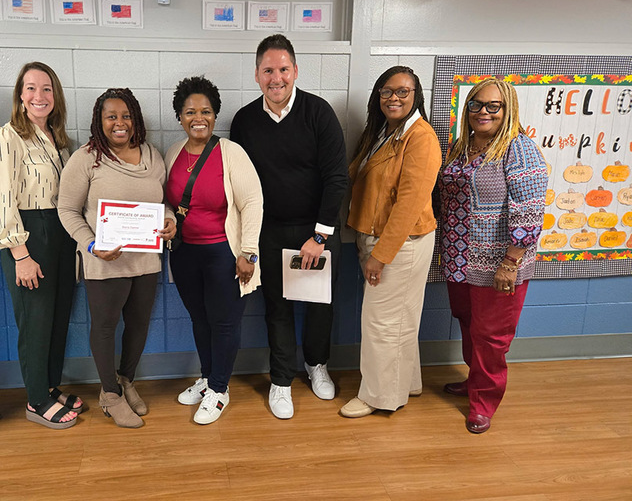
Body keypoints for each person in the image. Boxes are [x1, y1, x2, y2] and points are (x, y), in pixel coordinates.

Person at [230, 35, 348, 419]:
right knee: (276, 309)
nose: (276, 78)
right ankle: (281, 380)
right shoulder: (245, 120)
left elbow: (337, 179)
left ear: (295, 71)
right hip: (269, 232)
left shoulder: (319, 112)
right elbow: (239, 185)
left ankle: (317, 365)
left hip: (316, 233)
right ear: (257, 75)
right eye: (268, 70)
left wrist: (319, 236)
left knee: (319, 308)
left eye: (283, 69)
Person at [58, 88, 175, 428]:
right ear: (100, 121)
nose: (119, 123)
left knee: (138, 325)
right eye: (111, 116)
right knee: (106, 327)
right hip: (104, 260)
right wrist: (91, 244)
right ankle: (109, 395)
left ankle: (126, 382)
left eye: (125, 116)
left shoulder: (152, 156)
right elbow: (67, 210)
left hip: (145, 260)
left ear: (136, 119)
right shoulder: (86, 158)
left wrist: (170, 220)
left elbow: (162, 201)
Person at [439, 77, 547, 434]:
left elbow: (528, 212)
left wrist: (510, 263)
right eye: (476, 105)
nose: (482, 112)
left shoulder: (518, 149)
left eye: (492, 106)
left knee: (492, 336)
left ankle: (484, 401)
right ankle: (474, 382)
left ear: (507, 109)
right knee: (469, 325)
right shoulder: (461, 146)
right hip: (459, 258)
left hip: (498, 264)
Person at [0, 61, 81, 429]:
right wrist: (20, 254)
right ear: (19, 96)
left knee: (57, 316)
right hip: (29, 235)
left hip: (60, 232)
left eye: (47, 89)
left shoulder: (59, 140)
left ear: (55, 97)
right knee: (35, 320)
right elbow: (4, 201)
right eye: (30, 88)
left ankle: (50, 386)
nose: (39, 96)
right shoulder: (6, 137)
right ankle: (36, 400)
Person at [340, 66, 442, 418]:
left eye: (403, 91)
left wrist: (380, 256)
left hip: (400, 244)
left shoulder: (421, 138)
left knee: (382, 322)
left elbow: (409, 204)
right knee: (400, 318)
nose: (394, 98)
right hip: (378, 237)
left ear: (417, 96)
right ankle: (408, 381)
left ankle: (379, 396)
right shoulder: (384, 132)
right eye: (387, 91)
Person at [165, 76, 263, 425]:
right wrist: (167, 220)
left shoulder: (231, 153)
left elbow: (253, 202)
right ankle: (207, 378)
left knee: (224, 323)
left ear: (215, 114)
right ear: (180, 116)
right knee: (200, 319)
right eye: (190, 111)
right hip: (185, 253)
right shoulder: (173, 152)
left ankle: (220, 390)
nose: (198, 118)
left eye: (205, 111)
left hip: (225, 254)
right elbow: (167, 201)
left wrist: (248, 253)